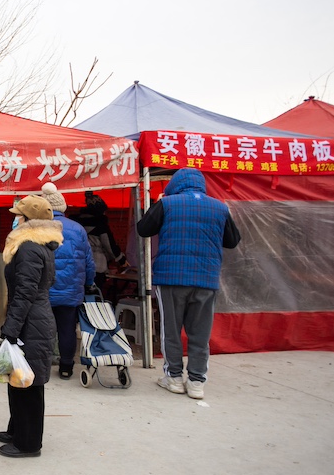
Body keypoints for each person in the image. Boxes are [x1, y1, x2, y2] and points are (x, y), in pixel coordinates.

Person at [136, 168, 240, 400]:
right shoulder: (220, 207)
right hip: (206, 279)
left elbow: (143, 229)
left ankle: (173, 378)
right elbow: (232, 241)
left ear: (175, 184)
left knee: (171, 331)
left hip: (171, 278)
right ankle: (196, 382)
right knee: (200, 333)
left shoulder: (167, 204)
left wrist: (157, 204)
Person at [0, 195, 62, 458]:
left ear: (28, 220)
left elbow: (25, 293)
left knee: (30, 383)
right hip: (33, 317)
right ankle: (17, 430)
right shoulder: (38, 246)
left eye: (18, 215)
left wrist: (11, 329)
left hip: (31, 321)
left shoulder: (28, 248)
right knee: (19, 377)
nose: (15, 219)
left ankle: (28, 443)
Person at [39, 183, 96, 379]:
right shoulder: (78, 229)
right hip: (71, 290)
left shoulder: (38, 228)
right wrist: (89, 282)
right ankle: (66, 367)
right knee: (67, 329)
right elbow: (88, 261)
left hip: (44, 290)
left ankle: (42, 366)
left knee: (42, 329)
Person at [72, 192, 127, 291]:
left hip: (79, 263)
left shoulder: (76, 224)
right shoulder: (101, 225)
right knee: (96, 292)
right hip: (97, 265)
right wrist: (121, 260)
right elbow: (109, 246)